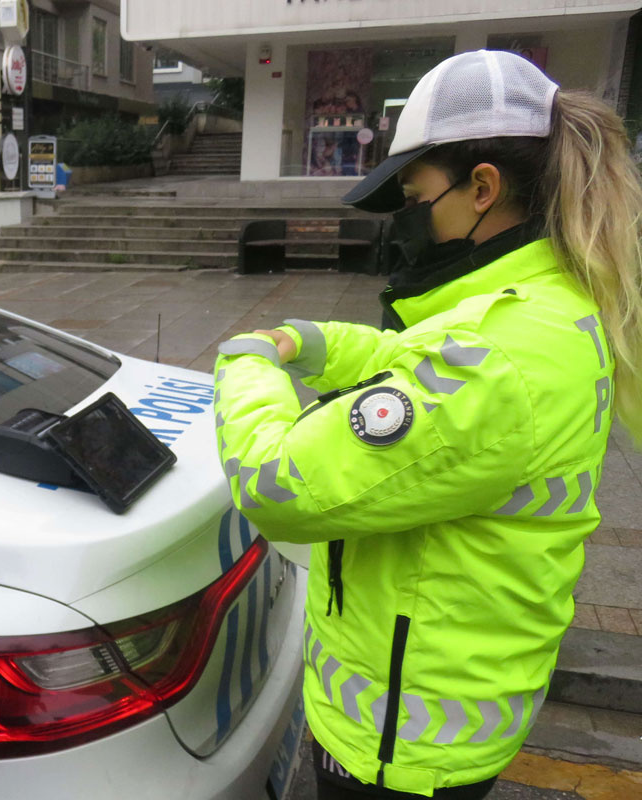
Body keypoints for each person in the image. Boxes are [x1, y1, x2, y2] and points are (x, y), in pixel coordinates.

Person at [212, 49, 641, 798]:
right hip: (456, 698)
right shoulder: (539, 308)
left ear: (482, 187)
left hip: (399, 745)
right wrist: (311, 343)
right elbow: (411, 356)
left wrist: (243, 361)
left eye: (416, 194)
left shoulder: (494, 356)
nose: (407, 220)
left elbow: (278, 480)